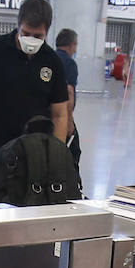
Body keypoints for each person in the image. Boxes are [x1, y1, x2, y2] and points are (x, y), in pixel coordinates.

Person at [0, 0, 70, 174]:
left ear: (47, 32)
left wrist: (57, 154)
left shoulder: (53, 61)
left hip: (35, 153)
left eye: (38, 36)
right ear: (18, 25)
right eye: (26, 33)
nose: (31, 40)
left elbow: (60, 115)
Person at [54, 27, 82, 174]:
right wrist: (69, 121)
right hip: (61, 115)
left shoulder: (49, 58)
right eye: (75, 45)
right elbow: (68, 92)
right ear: (71, 45)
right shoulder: (69, 63)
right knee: (73, 151)